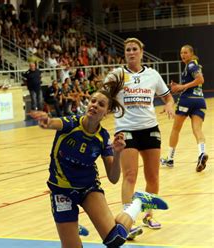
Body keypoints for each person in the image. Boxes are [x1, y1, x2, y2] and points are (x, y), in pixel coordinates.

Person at [30, 72, 169, 248]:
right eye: (93, 101)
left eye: (101, 104)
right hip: (61, 191)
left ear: (106, 112)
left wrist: (118, 152)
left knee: (115, 239)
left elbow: (113, 177)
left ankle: (138, 202)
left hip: (88, 189)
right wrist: (46, 121)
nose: (95, 105)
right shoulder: (71, 123)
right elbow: (53, 123)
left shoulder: (102, 138)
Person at [110, 38, 175, 230]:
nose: (131, 52)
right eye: (128, 49)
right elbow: (103, 96)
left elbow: (167, 96)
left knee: (153, 177)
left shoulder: (153, 75)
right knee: (130, 175)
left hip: (150, 129)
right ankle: (127, 221)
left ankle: (148, 215)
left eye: (134, 49)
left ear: (141, 52)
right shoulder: (117, 75)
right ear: (125, 53)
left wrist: (170, 104)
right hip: (126, 129)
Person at [161, 45, 208, 172]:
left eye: (186, 52)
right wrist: (178, 87)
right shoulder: (194, 65)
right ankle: (201, 153)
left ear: (191, 54)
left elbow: (200, 79)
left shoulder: (191, 65)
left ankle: (170, 159)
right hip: (200, 101)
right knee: (197, 130)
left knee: (175, 129)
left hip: (187, 100)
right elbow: (195, 82)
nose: (183, 55)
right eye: (181, 52)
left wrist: (181, 87)